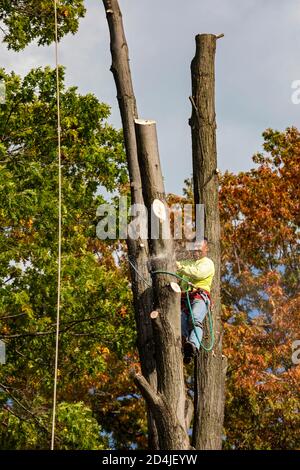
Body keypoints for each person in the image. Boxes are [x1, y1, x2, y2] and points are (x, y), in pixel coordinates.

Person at [176, 238, 215, 364]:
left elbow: (198, 274)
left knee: (195, 319)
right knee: (180, 324)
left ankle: (193, 345)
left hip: (199, 297)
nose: (196, 250)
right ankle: (183, 346)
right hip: (183, 298)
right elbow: (174, 271)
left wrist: (180, 267)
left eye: (199, 247)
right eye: (194, 247)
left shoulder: (208, 263)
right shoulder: (186, 263)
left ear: (206, 249)